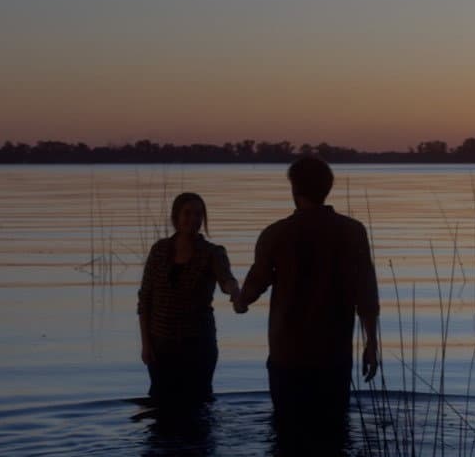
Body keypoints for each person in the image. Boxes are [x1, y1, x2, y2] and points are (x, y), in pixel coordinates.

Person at [234, 156, 380, 428]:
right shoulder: (353, 231)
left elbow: (254, 287)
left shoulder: (276, 234)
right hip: (334, 353)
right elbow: (366, 293)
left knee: (287, 432)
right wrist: (371, 343)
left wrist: (239, 301)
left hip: (287, 355)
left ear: (294, 189)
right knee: (333, 432)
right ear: (328, 188)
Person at [138, 192, 243, 405]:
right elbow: (145, 299)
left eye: (198, 214)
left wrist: (235, 292)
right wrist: (146, 344)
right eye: (187, 213)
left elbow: (226, 279)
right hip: (161, 344)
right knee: (161, 406)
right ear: (176, 217)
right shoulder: (159, 250)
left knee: (198, 405)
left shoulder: (213, 253)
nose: (193, 219)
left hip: (198, 344)